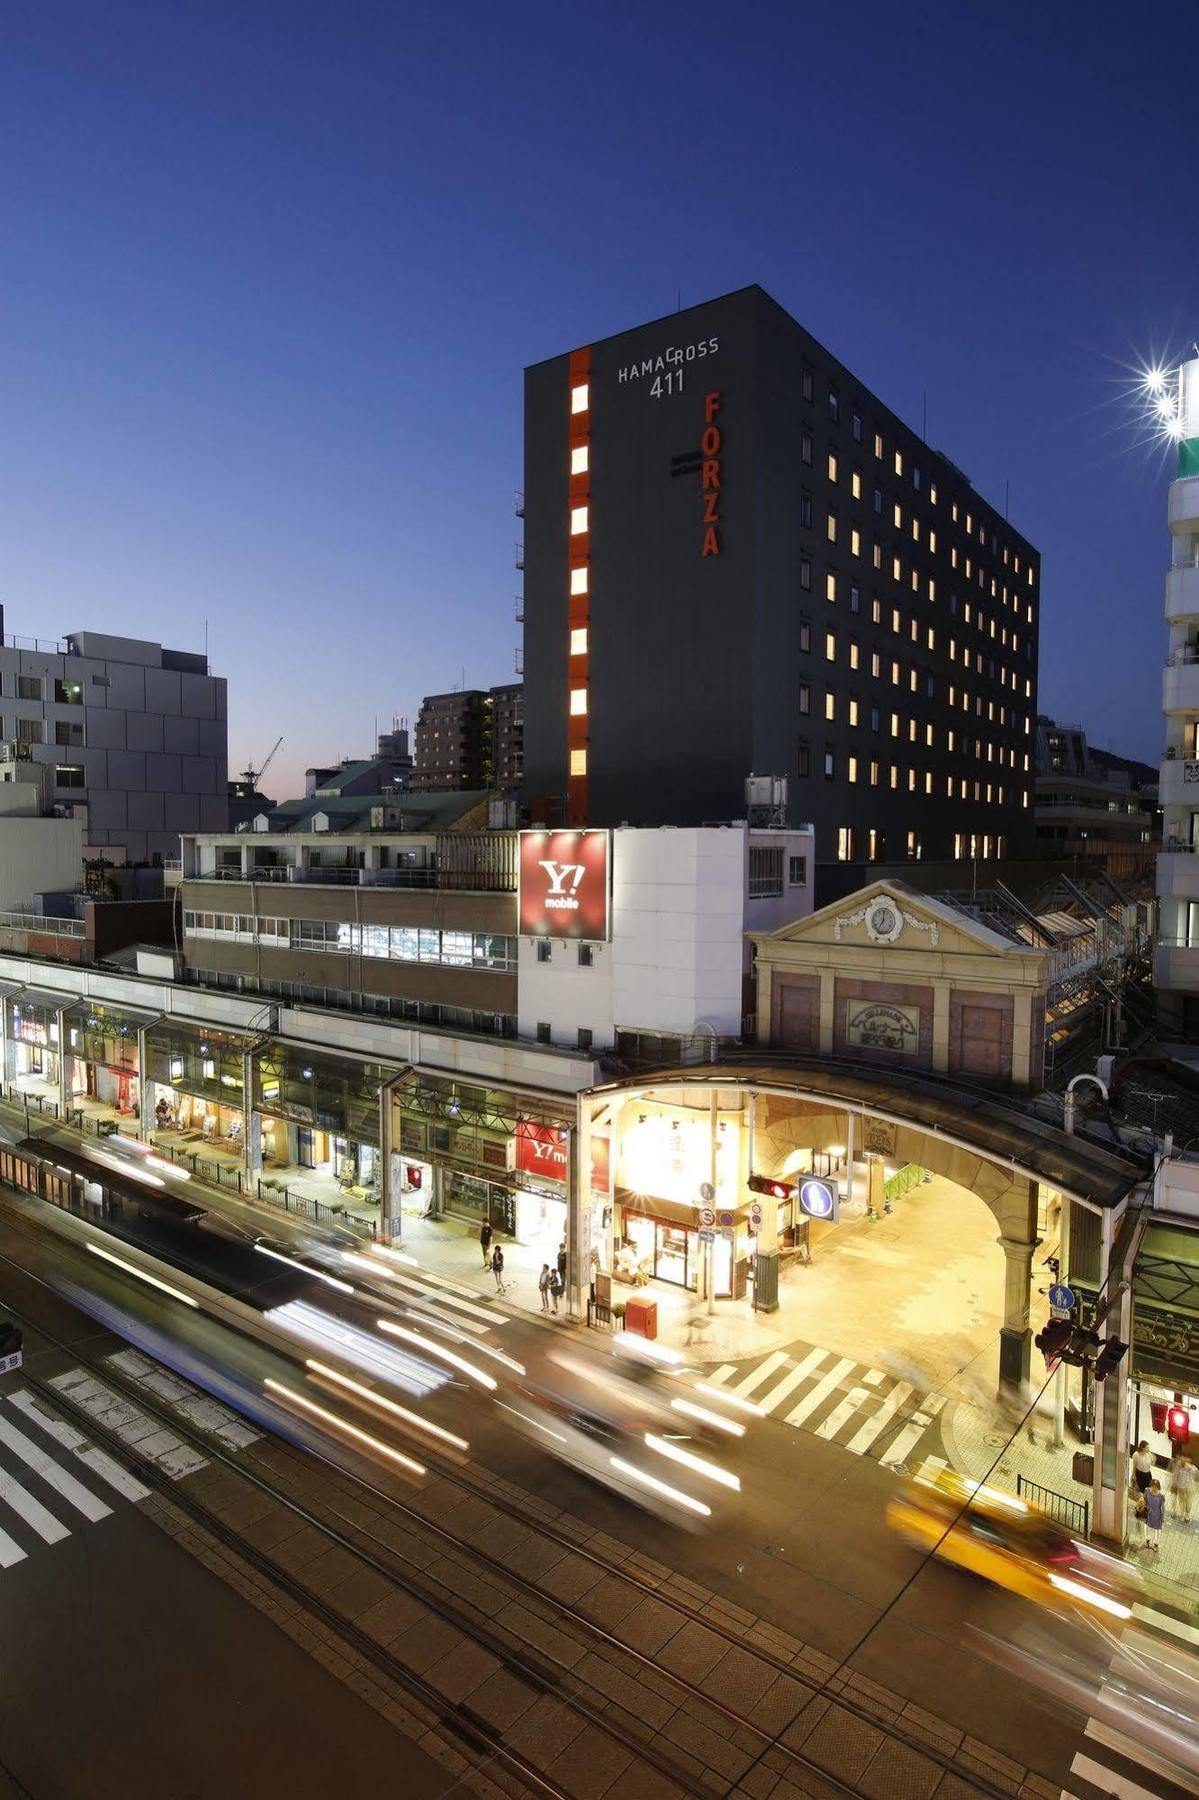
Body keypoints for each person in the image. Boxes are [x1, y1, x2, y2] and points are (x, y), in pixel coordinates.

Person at [1169, 1450, 1197, 1522]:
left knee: (1188, 1502)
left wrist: (1185, 1464)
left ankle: (1187, 1514)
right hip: (1180, 1487)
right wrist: (1173, 1484)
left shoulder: (1192, 1468)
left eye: (1186, 1458)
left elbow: (1194, 1473)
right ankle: (1182, 1514)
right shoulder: (1178, 1467)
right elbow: (1175, 1476)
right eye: (1183, 1457)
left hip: (1190, 1488)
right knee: (1181, 1502)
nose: (1183, 1459)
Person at [1144, 1479, 1166, 1552]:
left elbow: (1163, 1507)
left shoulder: (1161, 1496)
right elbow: (1144, 1499)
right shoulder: (1147, 1490)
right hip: (1149, 1513)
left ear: (1158, 1487)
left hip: (1157, 1514)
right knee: (1146, 1527)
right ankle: (1147, 1540)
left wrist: (1162, 1518)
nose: (1154, 1488)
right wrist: (1146, 1507)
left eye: (1156, 1487)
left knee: (1157, 1530)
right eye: (1153, 1486)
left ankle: (1156, 1544)